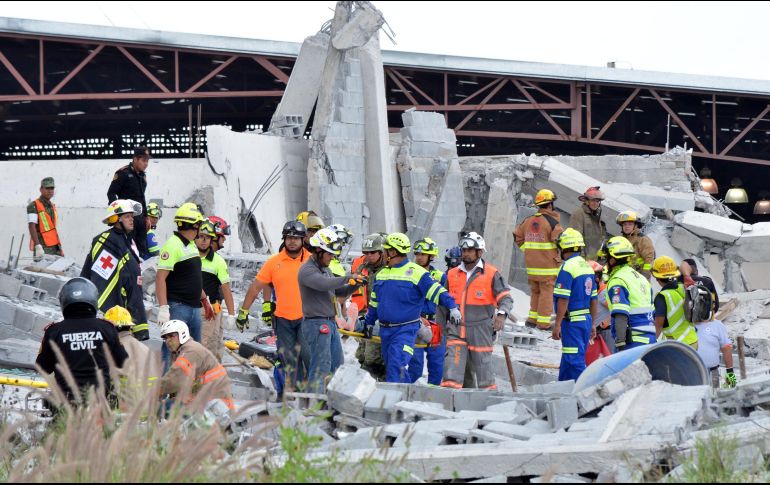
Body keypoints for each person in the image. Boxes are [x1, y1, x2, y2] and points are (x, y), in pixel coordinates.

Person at [364, 232, 460, 384]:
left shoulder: (417, 273)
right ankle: (406, 397)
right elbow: (375, 303)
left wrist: (452, 307)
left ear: (393, 252)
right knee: (392, 367)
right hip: (385, 331)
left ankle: (397, 402)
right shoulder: (381, 274)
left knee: (397, 365)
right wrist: (368, 322)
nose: (383, 254)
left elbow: (437, 291)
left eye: (386, 250)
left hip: (405, 330)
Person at [238, 220, 310, 391]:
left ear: (303, 240)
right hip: (283, 320)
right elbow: (256, 287)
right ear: (284, 239)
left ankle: (314, 396)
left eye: (296, 238)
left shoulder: (311, 261)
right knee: (287, 359)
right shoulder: (274, 262)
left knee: (308, 357)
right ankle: (292, 395)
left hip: (307, 319)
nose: (292, 241)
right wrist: (243, 312)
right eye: (289, 237)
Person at [36, 278, 128, 405]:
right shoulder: (107, 328)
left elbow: (43, 368)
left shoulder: (54, 331)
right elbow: (124, 362)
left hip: (66, 404)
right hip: (99, 404)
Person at [440, 232, 512, 390]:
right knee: (451, 371)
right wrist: (439, 328)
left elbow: (506, 298)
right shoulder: (451, 275)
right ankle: (449, 408)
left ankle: (488, 406)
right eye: (463, 250)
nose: (465, 253)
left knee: (484, 373)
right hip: (456, 330)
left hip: (481, 331)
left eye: (469, 250)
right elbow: (442, 303)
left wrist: (501, 315)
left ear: (479, 252)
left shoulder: (491, 274)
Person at [298, 228, 362, 392]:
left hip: (329, 323)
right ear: (319, 251)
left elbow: (337, 291)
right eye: (330, 254)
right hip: (316, 323)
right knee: (321, 365)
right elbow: (323, 284)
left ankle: (332, 401)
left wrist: (355, 286)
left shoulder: (325, 270)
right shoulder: (307, 271)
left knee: (336, 364)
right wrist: (348, 277)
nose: (332, 258)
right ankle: (314, 403)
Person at [80, 199, 149, 341]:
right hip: (111, 314)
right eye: (127, 216)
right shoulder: (108, 241)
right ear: (116, 219)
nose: (132, 220)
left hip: (123, 312)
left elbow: (132, 280)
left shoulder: (128, 241)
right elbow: (100, 279)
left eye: (132, 216)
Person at [156, 203, 212, 366]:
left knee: (193, 350)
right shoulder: (173, 245)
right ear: (194, 224)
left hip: (194, 308)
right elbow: (160, 277)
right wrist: (163, 308)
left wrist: (204, 299)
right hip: (178, 307)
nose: (200, 229)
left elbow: (192, 278)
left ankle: (190, 388)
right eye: (199, 225)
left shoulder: (191, 246)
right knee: (170, 349)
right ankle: (165, 389)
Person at [514, 189, 564, 330]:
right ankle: (542, 323)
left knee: (535, 292)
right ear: (550, 205)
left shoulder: (528, 221)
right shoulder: (553, 222)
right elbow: (561, 241)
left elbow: (517, 237)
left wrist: (530, 251)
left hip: (532, 266)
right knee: (546, 294)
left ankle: (532, 320)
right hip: (548, 266)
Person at [552, 229, 598, 381]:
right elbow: (594, 299)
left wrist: (557, 324)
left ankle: (582, 393)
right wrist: (592, 324)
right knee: (567, 359)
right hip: (585, 321)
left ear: (564, 248)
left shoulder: (567, 268)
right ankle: (562, 391)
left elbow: (563, 299)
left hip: (572, 323)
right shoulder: (587, 267)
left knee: (574, 361)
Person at [159, 319, 234, 411]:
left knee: (162, 408)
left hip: (215, 406)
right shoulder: (182, 350)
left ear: (182, 334)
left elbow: (174, 380)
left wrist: (155, 390)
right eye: (165, 338)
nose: (168, 341)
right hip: (209, 401)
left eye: (171, 336)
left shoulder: (191, 351)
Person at [602, 236, 656, 351]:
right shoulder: (641, 278)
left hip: (632, 342)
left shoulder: (618, 280)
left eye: (607, 257)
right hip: (650, 339)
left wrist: (620, 342)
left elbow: (620, 314)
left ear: (613, 259)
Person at [408, 237, 448, 386]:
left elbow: (448, 298)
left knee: (437, 362)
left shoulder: (440, 277)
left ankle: (433, 393)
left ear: (431, 256)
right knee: (415, 362)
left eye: (423, 254)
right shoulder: (408, 273)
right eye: (417, 254)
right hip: (415, 322)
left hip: (434, 324)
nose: (419, 257)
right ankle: (409, 393)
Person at [103, 305, 161, 405]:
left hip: (125, 415)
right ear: (130, 327)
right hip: (151, 412)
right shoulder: (147, 350)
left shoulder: (113, 351)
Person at [196, 220, 235, 362]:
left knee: (216, 345)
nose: (204, 240)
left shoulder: (218, 261)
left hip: (214, 309)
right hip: (200, 309)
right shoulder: (190, 257)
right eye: (201, 236)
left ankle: (214, 378)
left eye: (207, 237)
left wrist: (231, 314)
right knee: (204, 346)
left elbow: (226, 288)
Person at [353, 233, 388, 380]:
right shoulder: (363, 268)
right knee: (361, 355)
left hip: (383, 321)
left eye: (372, 252)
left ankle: (378, 389)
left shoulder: (388, 270)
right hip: (367, 317)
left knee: (373, 359)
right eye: (366, 253)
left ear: (382, 252)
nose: (368, 256)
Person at [108, 147, 151, 259]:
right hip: (127, 219)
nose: (146, 164)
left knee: (142, 250)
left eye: (147, 161)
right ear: (135, 159)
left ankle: (142, 274)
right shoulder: (123, 173)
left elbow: (142, 198)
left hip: (140, 219)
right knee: (129, 250)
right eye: (143, 160)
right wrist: (117, 214)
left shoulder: (142, 176)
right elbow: (111, 193)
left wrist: (146, 217)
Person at [652, 256, 698, 348]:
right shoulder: (684, 288)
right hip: (693, 340)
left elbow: (658, 326)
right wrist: (686, 275)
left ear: (656, 278)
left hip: (677, 344)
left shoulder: (662, 296)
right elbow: (686, 263)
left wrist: (652, 345)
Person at [693, 290, 736, 389]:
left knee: (714, 400)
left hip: (712, 373)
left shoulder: (717, 325)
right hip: (692, 373)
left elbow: (726, 350)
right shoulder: (685, 326)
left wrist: (731, 376)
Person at [27, 176, 63, 260]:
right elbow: (31, 226)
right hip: (43, 248)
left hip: (54, 247)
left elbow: (52, 229)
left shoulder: (51, 206)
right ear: (41, 189)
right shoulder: (34, 205)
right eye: (47, 188)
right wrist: (37, 246)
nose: (50, 191)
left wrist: (59, 248)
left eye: (51, 188)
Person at [568, 186, 607, 261]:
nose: (595, 203)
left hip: (594, 260)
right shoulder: (578, 214)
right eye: (593, 201)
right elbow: (575, 240)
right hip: (583, 260)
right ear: (586, 201)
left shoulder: (596, 216)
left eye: (597, 201)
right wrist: (581, 259)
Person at [616, 211, 655, 280]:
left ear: (636, 226)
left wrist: (644, 275)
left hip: (638, 277)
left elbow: (649, 259)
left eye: (630, 224)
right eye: (624, 224)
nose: (627, 226)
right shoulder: (620, 240)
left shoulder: (643, 240)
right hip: (623, 276)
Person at [589, 260, 615, 354]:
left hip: (605, 331)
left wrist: (606, 321)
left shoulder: (604, 293)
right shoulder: (596, 292)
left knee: (609, 356)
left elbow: (617, 309)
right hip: (596, 332)